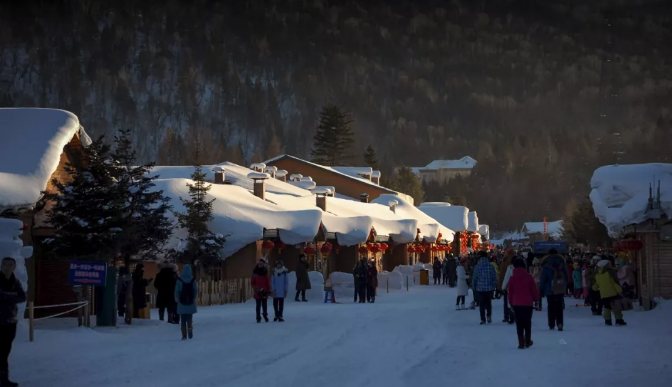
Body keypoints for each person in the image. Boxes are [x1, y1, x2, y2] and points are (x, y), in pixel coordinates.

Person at [0, 257, 26, 387]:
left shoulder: (16, 282)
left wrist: (6, 296)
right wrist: (10, 296)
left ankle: (4, 379)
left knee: (5, 351)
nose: (7, 267)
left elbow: (22, 297)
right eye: (4, 265)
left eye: (10, 265)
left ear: (14, 267)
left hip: (10, 322)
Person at [507, 258, 539, 349]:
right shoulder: (529, 277)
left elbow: (510, 292)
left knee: (519, 323)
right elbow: (534, 289)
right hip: (528, 303)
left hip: (516, 303)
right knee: (527, 322)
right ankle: (528, 341)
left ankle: (521, 342)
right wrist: (536, 299)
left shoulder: (512, 278)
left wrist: (511, 302)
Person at [539, 249, 569, 331]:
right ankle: (560, 323)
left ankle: (551, 324)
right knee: (559, 307)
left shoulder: (546, 266)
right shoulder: (562, 264)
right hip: (559, 289)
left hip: (550, 290)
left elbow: (543, 279)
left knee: (551, 307)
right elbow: (566, 277)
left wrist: (540, 290)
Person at [593, 260, 627, 326]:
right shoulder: (610, 273)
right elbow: (615, 283)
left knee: (606, 308)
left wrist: (594, 288)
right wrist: (620, 291)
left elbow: (596, 285)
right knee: (616, 308)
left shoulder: (597, 275)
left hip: (604, 295)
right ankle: (619, 320)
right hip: (613, 293)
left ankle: (608, 321)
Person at [471, 251, 498, 324]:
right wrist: (494, 286)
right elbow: (494, 277)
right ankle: (489, 316)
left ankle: (483, 319)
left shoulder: (477, 266)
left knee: (481, 304)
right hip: (489, 288)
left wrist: (473, 286)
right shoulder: (491, 266)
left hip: (480, 288)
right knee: (488, 303)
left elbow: (474, 278)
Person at [175, 264, 198, 340]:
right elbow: (195, 290)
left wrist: (177, 297)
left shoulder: (179, 280)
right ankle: (190, 327)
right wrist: (194, 298)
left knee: (183, 320)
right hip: (190, 302)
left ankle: (184, 335)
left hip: (182, 302)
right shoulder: (192, 280)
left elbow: (177, 290)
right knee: (189, 318)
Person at [498, 249, 515, 322]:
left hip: (507, 284)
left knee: (506, 301)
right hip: (517, 284)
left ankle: (507, 316)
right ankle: (514, 315)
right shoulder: (517, 260)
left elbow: (502, 274)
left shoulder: (504, 262)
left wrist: (500, 286)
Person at [500, 260, 515, 324]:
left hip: (510, 287)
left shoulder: (509, 267)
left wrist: (503, 287)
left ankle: (507, 317)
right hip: (520, 288)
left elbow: (506, 277)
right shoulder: (522, 267)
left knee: (508, 302)